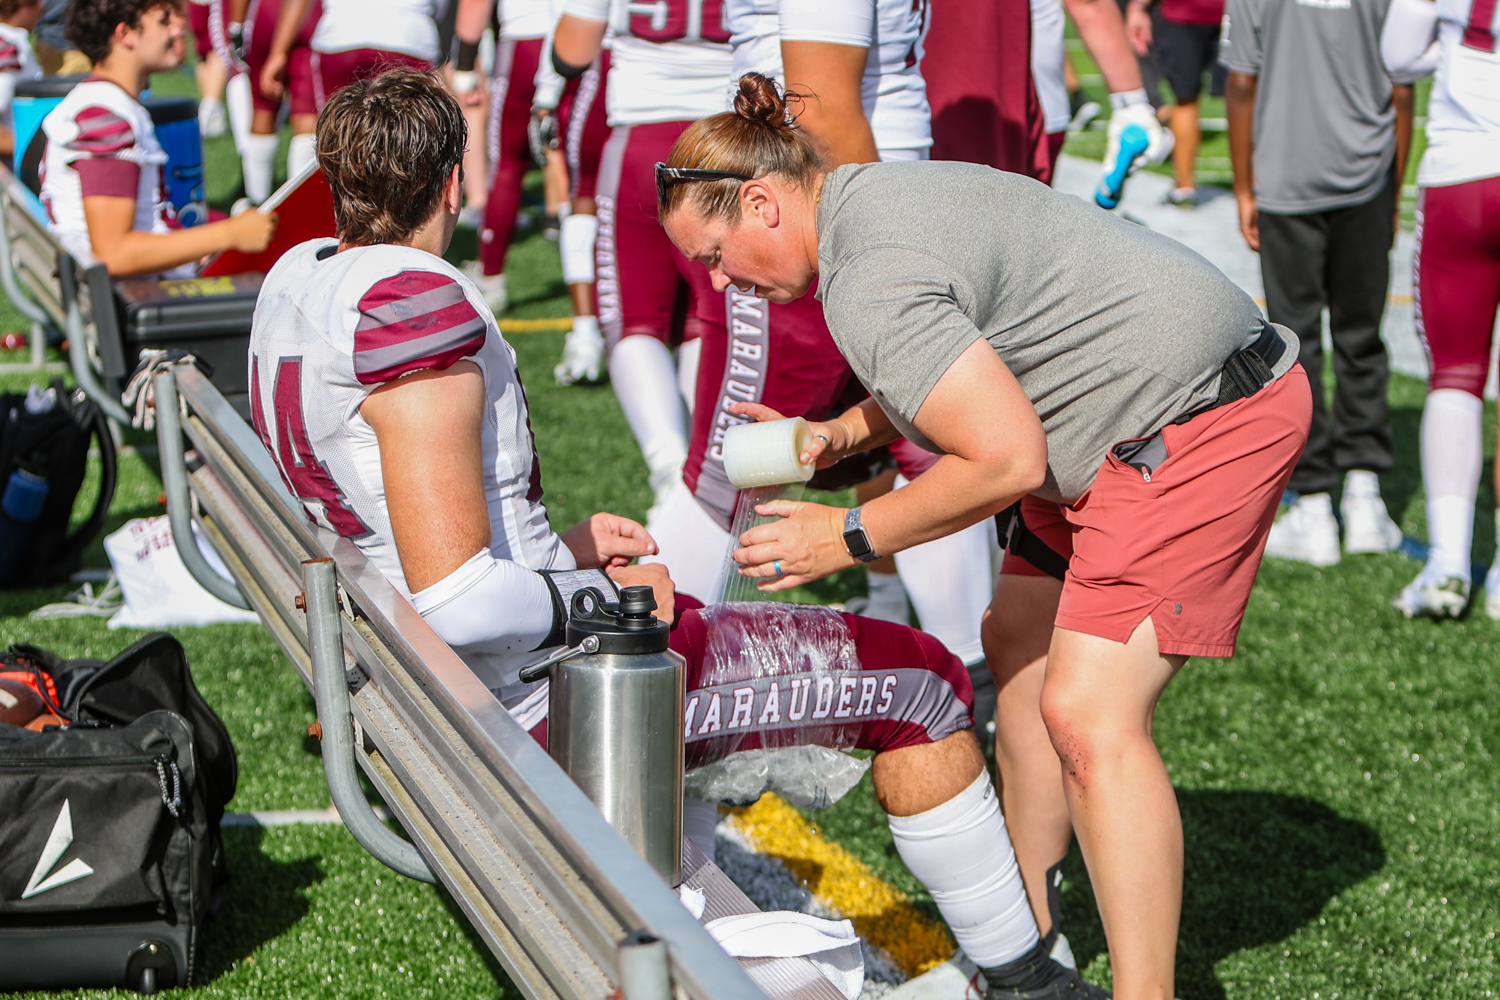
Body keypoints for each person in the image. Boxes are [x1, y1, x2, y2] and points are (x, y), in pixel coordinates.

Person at [247, 67, 1098, 1000]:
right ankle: (1027, 981)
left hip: (437, 692)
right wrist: (603, 598)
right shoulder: (410, 305)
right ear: (454, 181)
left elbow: (380, 513)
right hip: (545, 698)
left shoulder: (299, 277)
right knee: (928, 686)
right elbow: (457, 602)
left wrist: (561, 551)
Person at [659, 73, 1311, 1000]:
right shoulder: (864, 203)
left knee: (1089, 716)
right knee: (1017, 647)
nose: (721, 282)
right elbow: (962, 362)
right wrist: (841, 436)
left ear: (762, 202)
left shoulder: (866, 276)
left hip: (1195, 418)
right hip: (1115, 419)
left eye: (717, 256)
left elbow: (1003, 460)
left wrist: (846, 536)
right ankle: (1030, 958)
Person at [1223, 0, 1413, 566]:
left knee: (1294, 346)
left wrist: (1243, 186)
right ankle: (1364, 495)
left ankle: (1313, 503)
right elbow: (1402, 88)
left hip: (1287, 177)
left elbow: (1240, 81)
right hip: (1367, 176)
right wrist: (1393, 190)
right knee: (1362, 336)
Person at [548, 0, 729, 515]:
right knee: (708, 314)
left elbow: (571, 52)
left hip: (641, 133)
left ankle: (669, 469)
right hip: (724, 141)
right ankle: (699, 465)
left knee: (634, 321)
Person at [1381, 0, 1500, 618]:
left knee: (1455, 374)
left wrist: (1450, 47)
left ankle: (1447, 565)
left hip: (1461, 175)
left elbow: (1398, 54)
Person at [40, 0, 276, 276]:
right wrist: (230, 233)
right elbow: (113, 253)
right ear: (125, 34)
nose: (179, 28)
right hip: (143, 293)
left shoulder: (103, 103)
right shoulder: (105, 118)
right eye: (164, 21)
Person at [450, 0, 554, 315]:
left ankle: (492, 276)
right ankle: (591, 310)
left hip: (526, 38)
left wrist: (464, 64)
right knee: (585, 173)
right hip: (584, 41)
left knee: (507, 165)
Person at [531, 4, 610, 384]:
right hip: (695, 94)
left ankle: (585, 333)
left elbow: (569, 30)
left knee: (583, 199)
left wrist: (546, 95)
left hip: (606, 74)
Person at [260, 0, 437, 118]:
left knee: (336, 137)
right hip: (407, 36)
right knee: (408, 134)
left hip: (341, 34)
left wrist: (278, 52)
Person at [1125, 0, 1224, 206]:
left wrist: (1139, 5)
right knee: (1243, 101)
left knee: (1186, 100)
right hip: (1233, 13)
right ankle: (1253, 190)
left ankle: (1184, 188)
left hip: (1185, 13)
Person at [234, 0, 321, 205]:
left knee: (263, 108)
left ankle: (257, 202)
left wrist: (236, 25)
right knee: (307, 114)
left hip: (266, 12)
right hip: (309, 15)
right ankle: (300, 209)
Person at [0, 0, 42, 162]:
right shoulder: (9, 49)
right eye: (38, 3)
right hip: (13, 164)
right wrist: (37, 150)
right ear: (23, 8)